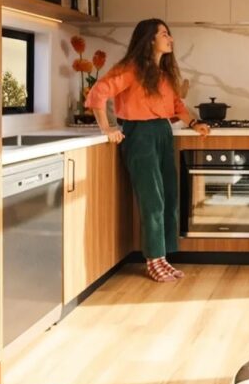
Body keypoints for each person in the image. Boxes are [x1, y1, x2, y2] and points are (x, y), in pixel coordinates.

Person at [86, 19, 211, 282]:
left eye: (169, 34)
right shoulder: (131, 69)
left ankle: (162, 256)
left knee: (168, 195)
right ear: (150, 40)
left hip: (162, 133)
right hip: (140, 135)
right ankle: (153, 259)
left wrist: (195, 123)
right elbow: (99, 92)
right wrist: (107, 128)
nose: (170, 39)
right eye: (164, 34)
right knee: (152, 198)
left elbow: (177, 105)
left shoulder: (163, 74)